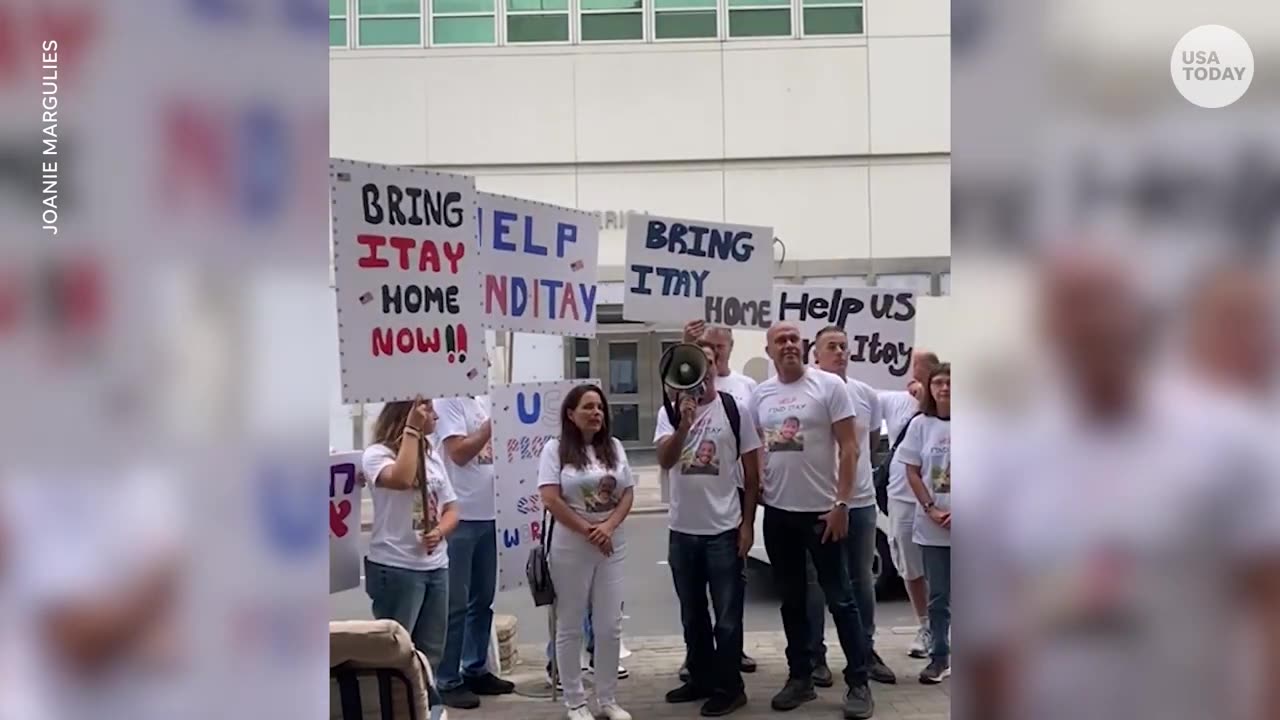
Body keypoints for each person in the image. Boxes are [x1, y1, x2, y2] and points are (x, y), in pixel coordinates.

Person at [751, 322, 875, 719]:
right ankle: (800, 678)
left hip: (823, 514)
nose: (788, 345)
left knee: (841, 598)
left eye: (793, 339)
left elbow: (850, 448)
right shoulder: (761, 395)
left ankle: (859, 682)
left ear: (803, 346)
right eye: (780, 341)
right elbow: (758, 454)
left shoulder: (828, 387)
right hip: (778, 514)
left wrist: (842, 503)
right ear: (769, 349)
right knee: (792, 601)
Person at [657, 341, 763, 717]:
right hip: (682, 530)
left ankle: (730, 687)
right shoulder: (668, 413)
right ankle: (700, 678)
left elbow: (752, 473)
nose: (703, 371)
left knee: (729, 617)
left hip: (723, 528)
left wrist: (747, 524)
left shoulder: (736, 410)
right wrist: (683, 424)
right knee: (692, 612)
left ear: (717, 366)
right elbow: (666, 460)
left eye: (710, 361)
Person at [539, 384, 637, 720]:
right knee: (570, 625)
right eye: (588, 407)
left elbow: (626, 494)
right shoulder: (555, 450)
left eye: (600, 408)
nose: (596, 413)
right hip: (570, 544)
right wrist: (588, 530)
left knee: (609, 625)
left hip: (612, 544)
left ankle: (607, 699)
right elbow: (551, 498)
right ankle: (575, 701)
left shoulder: (615, 448)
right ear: (570, 414)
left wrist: (607, 528)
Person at [807, 326, 896, 686]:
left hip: (860, 503)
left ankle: (865, 650)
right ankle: (816, 657)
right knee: (815, 582)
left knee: (862, 580)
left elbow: (868, 444)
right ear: (816, 355)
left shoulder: (865, 395)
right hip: (818, 502)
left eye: (845, 346)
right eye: (832, 347)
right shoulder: (808, 393)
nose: (841, 352)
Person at [361, 398, 460, 698]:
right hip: (396, 566)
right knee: (396, 652)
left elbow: (453, 508)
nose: (434, 413)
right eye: (426, 407)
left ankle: (426, 706)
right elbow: (402, 479)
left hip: (434, 565)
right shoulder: (377, 455)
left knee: (430, 653)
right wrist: (413, 430)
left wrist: (440, 531)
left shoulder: (432, 456)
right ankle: (395, 707)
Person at [681, 320, 761, 677]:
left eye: (718, 347)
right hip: (694, 498)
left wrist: (749, 518)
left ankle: (733, 654)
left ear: (728, 348)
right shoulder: (681, 389)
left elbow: (756, 442)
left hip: (735, 489)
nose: (712, 353)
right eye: (703, 346)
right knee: (693, 598)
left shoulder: (745, 389)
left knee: (731, 586)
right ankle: (698, 660)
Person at [433, 393, 515, 708]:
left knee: (483, 599)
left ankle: (475, 666)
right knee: (455, 604)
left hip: (490, 513)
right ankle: (447, 678)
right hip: (461, 516)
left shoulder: (482, 399)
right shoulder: (448, 401)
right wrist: (489, 429)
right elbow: (458, 454)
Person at [878, 351, 940, 659]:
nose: (913, 376)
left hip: (940, 500)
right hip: (902, 497)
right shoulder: (894, 399)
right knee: (909, 564)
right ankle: (925, 625)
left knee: (942, 566)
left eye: (921, 370)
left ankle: (946, 626)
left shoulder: (950, 404)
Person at [897, 363, 951, 684]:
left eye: (950, 382)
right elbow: (912, 471)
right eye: (938, 383)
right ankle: (940, 657)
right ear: (929, 388)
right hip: (933, 525)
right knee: (939, 596)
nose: (944, 388)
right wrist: (931, 508)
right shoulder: (920, 424)